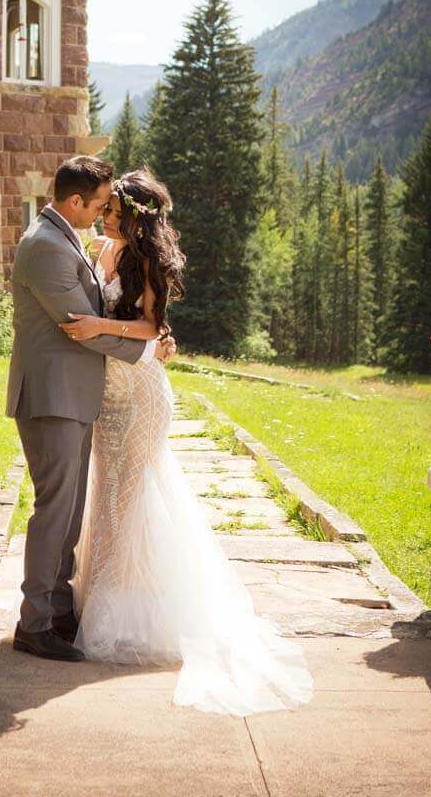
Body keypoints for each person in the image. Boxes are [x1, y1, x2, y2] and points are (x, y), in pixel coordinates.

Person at [63, 169, 314, 716]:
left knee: (131, 499)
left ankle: (125, 613)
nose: (104, 214)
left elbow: (152, 328)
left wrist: (97, 328)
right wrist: (94, 329)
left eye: (113, 209)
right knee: (108, 497)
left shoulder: (145, 260)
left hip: (143, 394)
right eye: (104, 208)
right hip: (108, 395)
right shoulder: (99, 249)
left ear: (135, 214)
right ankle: (96, 600)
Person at [6, 156, 176, 663]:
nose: (106, 211)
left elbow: (100, 320)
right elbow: (79, 326)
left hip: (78, 396)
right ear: (75, 201)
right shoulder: (44, 246)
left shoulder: (63, 237)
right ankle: (33, 623)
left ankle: (58, 609)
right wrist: (148, 348)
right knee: (55, 510)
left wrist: (152, 335)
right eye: (101, 203)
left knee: (71, 509)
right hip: (53, 397)